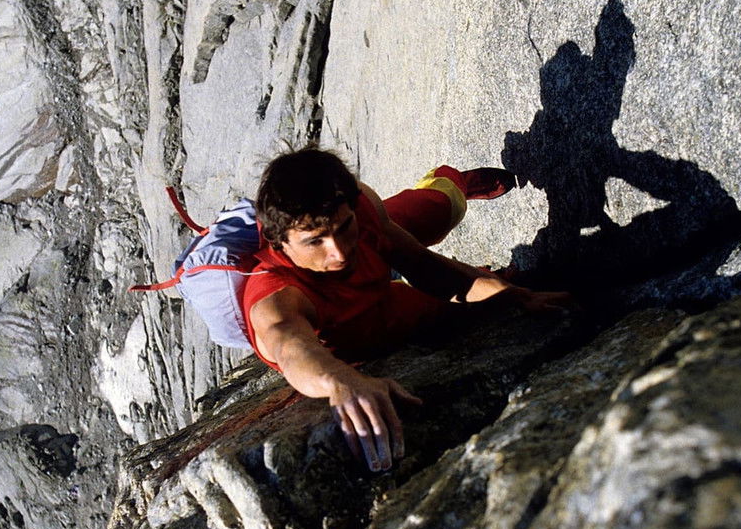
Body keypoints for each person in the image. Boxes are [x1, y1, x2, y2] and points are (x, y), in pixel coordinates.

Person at [241, 147, 573, 472]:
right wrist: (339, 381)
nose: (339, 251)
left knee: (443, 207)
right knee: (459, 312)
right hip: (365, 324)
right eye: (315, 241)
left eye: (343, 227)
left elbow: (422, 265)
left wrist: (515, 296)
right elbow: (287, 343)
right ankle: (496, 274)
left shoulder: (361, 208)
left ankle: (454, 183)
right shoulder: (275, 295)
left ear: (351, 208)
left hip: (372, 252)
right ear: (278, 242)